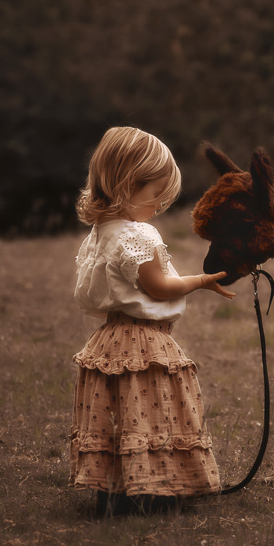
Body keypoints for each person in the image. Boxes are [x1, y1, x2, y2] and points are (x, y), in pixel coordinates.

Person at [69, 126, 233, 514]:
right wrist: (201, 281)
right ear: (125, 185)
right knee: (155, 411)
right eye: (154, 194)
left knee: (120, 414)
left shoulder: (101, 233)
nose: (158, 205)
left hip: (108, 337)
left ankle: (115, 488)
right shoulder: (138, 235)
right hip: (143, 340)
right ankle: (153, 487)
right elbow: (159, 287)